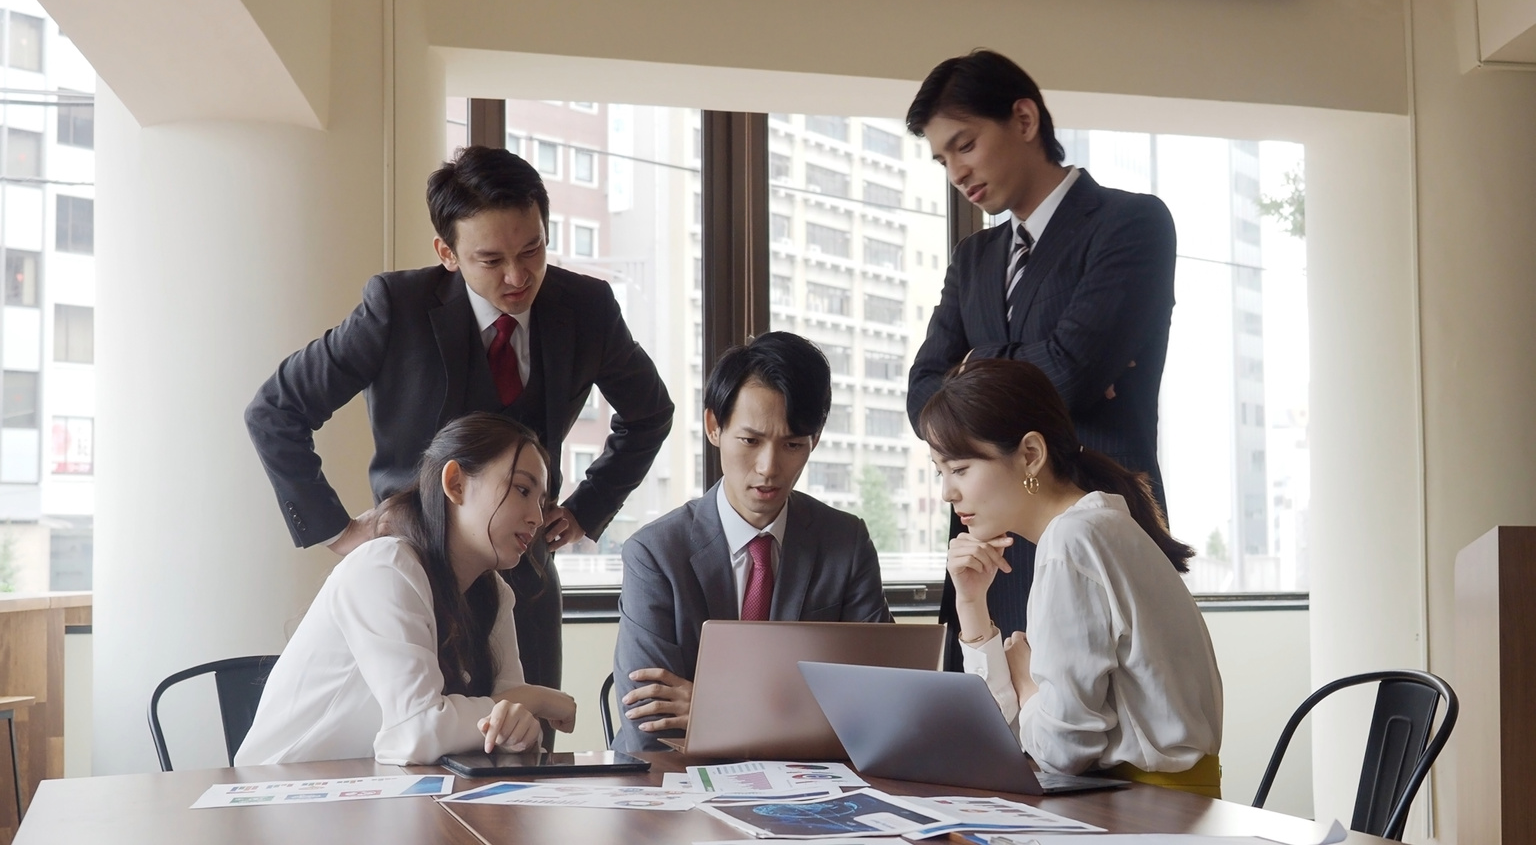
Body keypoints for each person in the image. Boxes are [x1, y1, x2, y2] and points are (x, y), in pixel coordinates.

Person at [245, 146, 675, 711]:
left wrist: (587, 507)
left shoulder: (586, 307)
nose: (519, 276)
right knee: (414, 742)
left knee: (527, 758)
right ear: (447, 252)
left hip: (526, 582)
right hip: (412, 575)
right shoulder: (395, 307)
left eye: (533, 249)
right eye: (491, 259)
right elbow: (275, 411)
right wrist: (340, 533)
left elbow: (650, 412)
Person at [904, 49, 1178, 657]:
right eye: (942, 158)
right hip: (989, 556)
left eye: (965, 144)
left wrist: (973, 366)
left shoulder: (1130, 224)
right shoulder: (973, 259)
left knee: (1091, 741)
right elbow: (923, 395)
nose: (954, 171)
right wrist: (1030, 359)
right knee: (983, 737)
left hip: (1097, 537)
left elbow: (1072, 374)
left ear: (1024, 120)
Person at [919, 358, 1221, 797]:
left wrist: (1025, 683)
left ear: (1030, 455)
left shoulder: (1073, 541)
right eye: (940, 472)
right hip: (1140, 803)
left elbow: (1061, 749)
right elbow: (1009, 734)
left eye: (960, 468)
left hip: (1148, 812)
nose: (947, 491)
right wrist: (971, 606)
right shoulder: (1093, 527)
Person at [236, 413, 578, 765]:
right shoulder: (385, 567)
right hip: (282, 795)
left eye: (542, 502)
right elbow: (415, 732)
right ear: (456, 483)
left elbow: (504, 721)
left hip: (380, 797)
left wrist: (519, 728)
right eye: (522, 490)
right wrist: (536, 701)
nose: (537, 518)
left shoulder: (494, 591)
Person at [611, 332, 893, 753]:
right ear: (713, 427)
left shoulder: (845, 543)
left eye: (793, 445)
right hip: (677, 791)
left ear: (813, 441)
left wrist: (716, 708)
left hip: (807, 796)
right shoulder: (654, 554)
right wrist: (797, 715)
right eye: (750, 440)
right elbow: (649, 723)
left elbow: (879, 703)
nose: (769, 467)